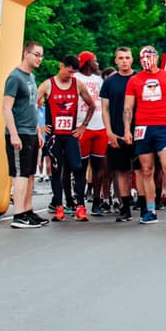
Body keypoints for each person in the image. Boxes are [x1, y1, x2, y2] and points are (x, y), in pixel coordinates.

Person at [123, 45, 166, 224]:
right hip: (143, 127)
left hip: (164, 127)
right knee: (146, 170)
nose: (146, 61)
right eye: (142, 58)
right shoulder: (135, 80)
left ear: (156, 58)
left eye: (149, 57)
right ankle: (150, 210)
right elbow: (128, 107)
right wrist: (127, 129)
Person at [38, 55, 97, 222]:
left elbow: (92, 105)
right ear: (61, 66)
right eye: (68, 72)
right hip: (54, 136)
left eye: (73, 73)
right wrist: (39, 127)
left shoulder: (77, 84)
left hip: (71, 135)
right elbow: (31, 104)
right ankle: (58, 207)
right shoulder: (48, 84)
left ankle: (80, 206)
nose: (70, 75)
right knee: (56, 170)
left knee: (77, 167)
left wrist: (83, 126)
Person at [3, 41, 48, 228]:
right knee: (20, 174)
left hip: (31, 131)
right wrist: (13, 134)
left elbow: (32, 107)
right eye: (36, 54)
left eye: (41, 55)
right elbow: (6, 107)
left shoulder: (31, 77)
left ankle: (28, 210)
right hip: (19, 132)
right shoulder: (15, 77)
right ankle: (19, 214)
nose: (39, 58)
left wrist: (38, 130)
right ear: (26, 54)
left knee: (30, 174)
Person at [100, 46, 138, 222]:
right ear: (115, 61)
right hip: (116, 132)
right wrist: (109, 132)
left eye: (127, 57)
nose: (124, 61)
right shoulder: (109, 82)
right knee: (121, 170)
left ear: (132, 59)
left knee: (142, 169)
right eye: (120, 58)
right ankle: (124, 207)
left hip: (138, 131)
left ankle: (146, 206)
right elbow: (105, 109)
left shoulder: (139, 79)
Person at [76, 51, 108, 216]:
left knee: (99, 166)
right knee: (80, 167)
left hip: (100, 126)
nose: (97, 63)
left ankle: (97, 201)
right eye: (94, 60)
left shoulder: (99, 80)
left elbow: (104, 103)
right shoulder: (76, 78)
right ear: (88, 63)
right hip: (82, 126)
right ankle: (80, 201)